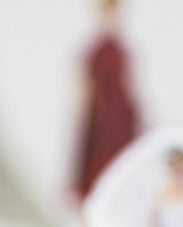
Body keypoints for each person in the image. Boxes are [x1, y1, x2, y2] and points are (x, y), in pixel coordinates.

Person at [71, 0, 141, 202]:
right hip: (101, 117)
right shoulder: (98, 49)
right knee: (99, 164)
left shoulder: (120, 48)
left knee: (121, 163)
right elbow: (88, 86)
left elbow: (127, 84)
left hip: (120, 115)